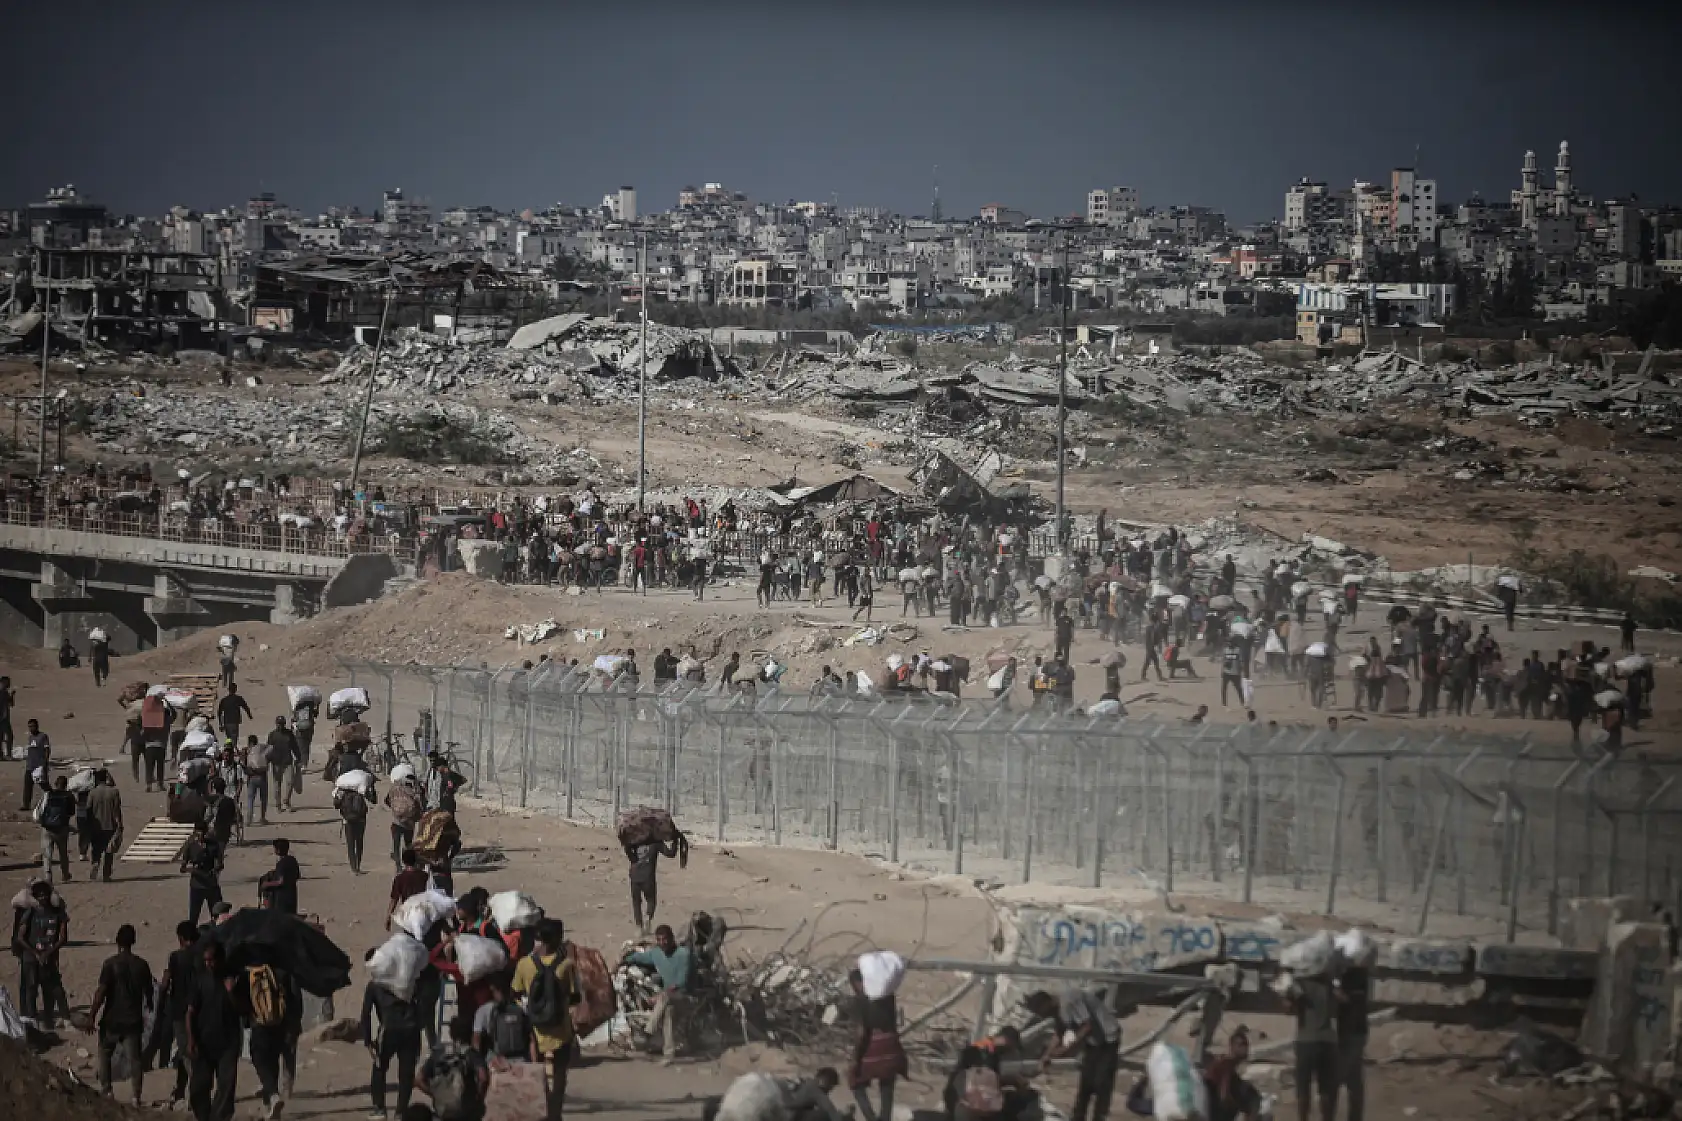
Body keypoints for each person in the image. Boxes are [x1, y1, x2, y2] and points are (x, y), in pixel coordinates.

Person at [511, 917, 580, 1120]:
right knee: (559, 1077)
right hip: (561, 1031)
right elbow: (575, 997)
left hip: (534, 1033)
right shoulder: (567, 965)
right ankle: (555, 1115)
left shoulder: (525, 964)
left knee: (536, 1077)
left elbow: (515, 992)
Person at [1027, 986, 1122, 1121]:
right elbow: (1059, 1032)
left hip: (1107, 1038)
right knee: (1086, 1082)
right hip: (1093, 1042)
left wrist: (1066, 1049)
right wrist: (1047, 1055)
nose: (1043, 1015)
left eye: (1041, 1011)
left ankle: (1099, 1116)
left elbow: (1086, 1025)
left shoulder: (1070, 999)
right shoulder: (1058, 1010)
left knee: (1102, 1082)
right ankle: (1078, 1116)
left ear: (1047, 1003)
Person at [90, 923, 155, 1106]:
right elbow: (149, 994)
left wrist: (91, 1017)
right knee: (135, 1060)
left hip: (111, 1019)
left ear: (117, 942)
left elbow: (100, 993)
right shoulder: (142, 965)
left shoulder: (110, 964)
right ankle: (136, 1096)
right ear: (133, 942)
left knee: (104, 1055)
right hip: (132, 1021)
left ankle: (107, 1091)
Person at [361, 946, 425, 1120]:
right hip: (410, 1030)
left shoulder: (374, 985)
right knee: (406, 1073)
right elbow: (420, 1007)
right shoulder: (408, 980)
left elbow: (366, 1014)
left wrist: (367, 1040)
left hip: (388, 1030)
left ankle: (380, 1109)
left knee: (379, 1069)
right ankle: (401, 1112)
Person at [186, 941, 244, 1121]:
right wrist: (191, 1039)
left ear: (220, 959)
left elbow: (242, 1009)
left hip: (228, 1042)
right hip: (204, 1041)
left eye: (211, 960)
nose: (208, 964)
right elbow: (189, 1012)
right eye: (206, 960)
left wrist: (232, 992)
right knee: (198, 1088)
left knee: (226, 1087)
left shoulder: (233, 979)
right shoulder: (200, 980)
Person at [848, 966, 906, 1121]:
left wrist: (855, 1058)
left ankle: (871, 1117)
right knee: (887, 1085)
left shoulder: (860, 1000)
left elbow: (861, 1033)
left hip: (873, 1046)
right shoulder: (888, 997)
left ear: (857, 983)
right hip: (892, 1045)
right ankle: (885, 1118)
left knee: (855, 1082)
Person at [626, 924, 692, 1060]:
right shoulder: (656, 953)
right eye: (659, 940)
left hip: (685, 996)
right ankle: (669, 1054)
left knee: (665, 997)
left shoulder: (683, 954)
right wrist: (623, 960)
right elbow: (639, 957)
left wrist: (660, 996)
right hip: (668, 999)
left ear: (672, 938)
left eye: (665, 939)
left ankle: (648, 1031)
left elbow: (681, 982)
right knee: (668, 1011)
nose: (662, 943)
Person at [12, 878, 69, 1027]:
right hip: (31, 957)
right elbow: (20, 937)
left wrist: (48, 953)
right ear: (36, 897)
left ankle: (51, 1018)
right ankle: (31, 1018)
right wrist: (36, 953)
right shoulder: (30, 913)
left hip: (48, 956)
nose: (43, 898)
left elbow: (63, 938)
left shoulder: (57, 913)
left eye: (45, 894)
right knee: (31, 987)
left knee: (52, 987)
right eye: (40, 895)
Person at [248, 962, 302, 1120]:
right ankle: (273, 1101)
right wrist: (294, 1023)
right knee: (274, 1060)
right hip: (282, 1024)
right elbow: (295, 998)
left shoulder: (253, 972)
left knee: (260, 1059)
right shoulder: (285, 969)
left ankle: (271, 1096)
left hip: (259, 1024)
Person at [157, 920, 202, 1108]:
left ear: (181, 938)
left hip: (180, 1010)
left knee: (186, 1051)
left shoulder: (176, 957)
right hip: (200, 1008)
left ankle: (197, 1094)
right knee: (189, 1050)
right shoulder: (202, 956)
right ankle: (180, 1089)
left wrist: (160, 1005)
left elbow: (166, 984)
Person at [1284, 968, 1338, 1121]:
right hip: (1328, 1041)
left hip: (1306, 1040)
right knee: (1326, 1090)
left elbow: (1288, 1008)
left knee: (1303, 1089)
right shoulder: (1329, 981)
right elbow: (1336, 1006)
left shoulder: (1298, 984)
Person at [417, 1017, 491, 1121]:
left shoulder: (438, 1053)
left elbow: (418, 1080)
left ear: (451, 1033)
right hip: (467, 1111)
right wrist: (478, 1097)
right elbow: (483, 1077)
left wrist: (435, 1094)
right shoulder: (472, 1054)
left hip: (443, 1110)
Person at [1201, 1026, 1263, 1121]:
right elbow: (1224, 1094)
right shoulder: (1226, 1064)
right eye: (1241, 1045)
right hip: (1216, 1111)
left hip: (1216, 1108)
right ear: (1232, 1046)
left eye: (1246, 1045)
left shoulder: (1229, 1066)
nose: (1245, 1048)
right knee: (1253, 1097)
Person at [625, 831, 679, 935]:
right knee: (651, 900)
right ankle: (648, 917)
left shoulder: (634, 840)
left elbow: (630, 855)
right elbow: (670, 853)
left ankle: (639, 927)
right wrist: (675, 841)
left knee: (636, 902)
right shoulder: (655, 842)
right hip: (648, 877)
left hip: (635, 876)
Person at [1335, 961, 1369, 1121]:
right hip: (1357, 1033)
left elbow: (1347, 1000)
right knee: (1354, 1080)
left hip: (1351, 1034)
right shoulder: (1361, 975)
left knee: (1339, 1078)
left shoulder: (1354, 978)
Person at [181, 821, 224, 925]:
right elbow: (182, 867)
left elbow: (220, 864)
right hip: (197, 885)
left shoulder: (213, 845)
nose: (201, 835)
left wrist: (215, 870)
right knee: (193, 918)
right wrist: (193, 870)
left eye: (203, 832)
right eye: (198, 832)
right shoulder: (190, 846)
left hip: (211, 885)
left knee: (218, 917)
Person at [37, 773, 76, 881]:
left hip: (47, 828)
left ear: (55, 784)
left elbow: (41, 809)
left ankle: (48, 875)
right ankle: (65, 874)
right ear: (66, 785)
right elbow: (72, 812)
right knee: (63, 853)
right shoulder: (69, 796)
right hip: (62, 828)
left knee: (47, 854)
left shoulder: (48, 794)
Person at [86, 768, 124, 882]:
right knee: (109, 851)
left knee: (96, 849)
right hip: (110, 825)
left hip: (96, 826)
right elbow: (117, 810)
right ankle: (106, 874)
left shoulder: (92, 792)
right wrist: (120, 824)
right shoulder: (114, 792)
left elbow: (88, 809)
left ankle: (95, 863)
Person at [386, 770, 426, 871]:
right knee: (408, 844)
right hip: (409, 823)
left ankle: (398, 866)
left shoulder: (396, 789)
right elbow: (421, 806)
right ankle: (409, 865)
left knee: (396, 845)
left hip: (396, 822)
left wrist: (395, 808)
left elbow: (386, 801)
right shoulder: (415, 792)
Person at [335, 776, 371, 874]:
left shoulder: (343, 791)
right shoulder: (361, 788)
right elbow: (373, 799)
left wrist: (338, 796)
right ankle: (358, 866)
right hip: (361, 820)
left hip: (348, 821)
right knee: (359, 843)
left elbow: (336, 805)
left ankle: (353, 867)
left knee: (350, 844)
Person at [784, 1068, 850, 1121]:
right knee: (823, 1115)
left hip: (786, 1112)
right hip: (788, 1115)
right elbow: (829, 1109)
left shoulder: (807, 1083)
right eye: (831, 1086)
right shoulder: (815, 1089)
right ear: (825, 1080)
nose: (830, 1089)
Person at [388, 849, 430, 930]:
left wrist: (388, 917)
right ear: (416, 860)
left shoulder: (399, 878)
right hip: (422, 913)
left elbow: (394, 900)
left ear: (403, 861)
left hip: (408, 914)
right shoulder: (424, 876)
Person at [259, 837, 301, 914]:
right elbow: (297, 876)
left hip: (281, 900)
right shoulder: (292, 860)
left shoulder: (282, 863)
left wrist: (267, 884)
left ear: (278, 850)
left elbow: (281, 882)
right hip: (292, 897)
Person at [267, 717, 299, 814]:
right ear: (276, 724)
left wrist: (299, 758)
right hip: (276, 763)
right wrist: (267, 761)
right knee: (277, 785)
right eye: (278, 724)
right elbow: (268, 749)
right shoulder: (272, 735)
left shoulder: (289, 734)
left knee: (290, 782)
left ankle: (286, 800)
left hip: (287, 761)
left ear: (284, 724)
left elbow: (295, 747)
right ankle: (278, 805)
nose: (280, 725)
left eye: (282, 724)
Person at [21, 717, 50, 811]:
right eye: (29, 727)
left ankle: (52, 799)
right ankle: (26, 805)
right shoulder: (30, 737)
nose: (31, 728)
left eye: (33, 726)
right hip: (30, 766)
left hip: (39, 766)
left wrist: (45, 763)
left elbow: (47, 750)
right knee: (27, 786)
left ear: (37, 726)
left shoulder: (43, 736)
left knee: (44, 785)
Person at [244, 732, 272, 826]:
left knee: (250, 799)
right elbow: (271, 749)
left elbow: (243, 765)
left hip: (251, 778)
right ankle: (262, 818)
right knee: (263, 799)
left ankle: (249, 819)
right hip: (262, 777)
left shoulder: (247, 750)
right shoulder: (262, 748)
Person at [216, 684, 252, 749]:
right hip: (235, 722)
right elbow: (245, 707)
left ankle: (229, 748)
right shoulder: (238, 699)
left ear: (228, 690)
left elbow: (219, 712)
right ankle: (233, 749)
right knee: (234, 737)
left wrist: (220, 724)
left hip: (226, 722)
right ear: (236, 689)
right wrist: (249, 715)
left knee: (228, 737)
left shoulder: (224, 700)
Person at [292, 692, 319, 770]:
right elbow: (316, 714)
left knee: (300, 746)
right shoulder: (311, 705)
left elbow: (294, 717)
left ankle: (300, 763)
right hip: (309, 728)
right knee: (306, 746)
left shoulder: (297, 705)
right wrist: (317, 706)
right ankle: (304, 764)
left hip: (300, 729)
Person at [0, 674, 14, 760]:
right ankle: (8, 754)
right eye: (8, 682)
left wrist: (12, 695)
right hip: (3, 718)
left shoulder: (5, 692)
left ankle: (3, 755)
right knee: (9, 736)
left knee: (4, 736)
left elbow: (11, 704)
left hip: (4, 718)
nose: (9, 684)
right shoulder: (2, 692)